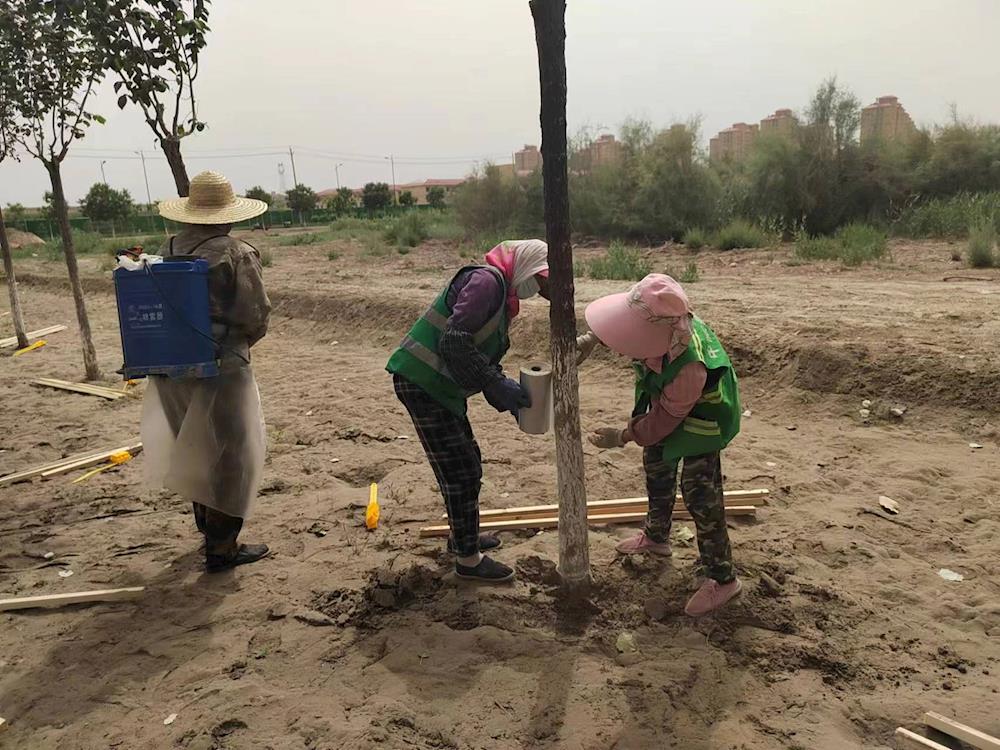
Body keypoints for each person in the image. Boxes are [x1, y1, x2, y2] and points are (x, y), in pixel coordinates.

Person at [387, 240, 550, 583]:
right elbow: (454, 342)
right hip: (422, 382)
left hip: (437, 387)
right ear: (521, 265)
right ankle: (468, 561)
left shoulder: (502, 298)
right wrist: (496, 384)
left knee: (467, 462)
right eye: (536, 277)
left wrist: (504, 396)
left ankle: (463, 538)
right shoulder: (487, 283)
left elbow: (477, 359)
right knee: (460, 470)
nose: (536, 287)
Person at [579, 274, 743, 616]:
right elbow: (626, 327)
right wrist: (592, 338)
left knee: (700, 492)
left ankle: (723, 577)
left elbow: (660, 424)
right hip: (668, 405)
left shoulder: (689, 368)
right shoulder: (662, 328)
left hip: (704, 419)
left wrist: (622, 436)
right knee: (656, 464)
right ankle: (657, 537)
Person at [143, 171, 271, 573]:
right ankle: (222, 546)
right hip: (222, 365)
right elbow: (255, 315)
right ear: (227, 214)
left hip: (169, 362)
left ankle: (207, 528)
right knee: (233, 451)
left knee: (195, 444)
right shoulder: (234, 252)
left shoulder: (166, 249)